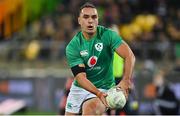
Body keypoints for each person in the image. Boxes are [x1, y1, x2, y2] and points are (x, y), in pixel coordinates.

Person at [65, 2, 135, 115]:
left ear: (98, 20)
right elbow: (81, 78)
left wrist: (126, 80)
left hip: (104, 88)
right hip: (80, 88)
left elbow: (129, 55)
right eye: (86, 17)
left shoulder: (108, 35)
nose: (90, 20)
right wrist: (97, 93)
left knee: (89, 110)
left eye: (94, 17)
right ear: (79, 20)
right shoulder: (73, 46)